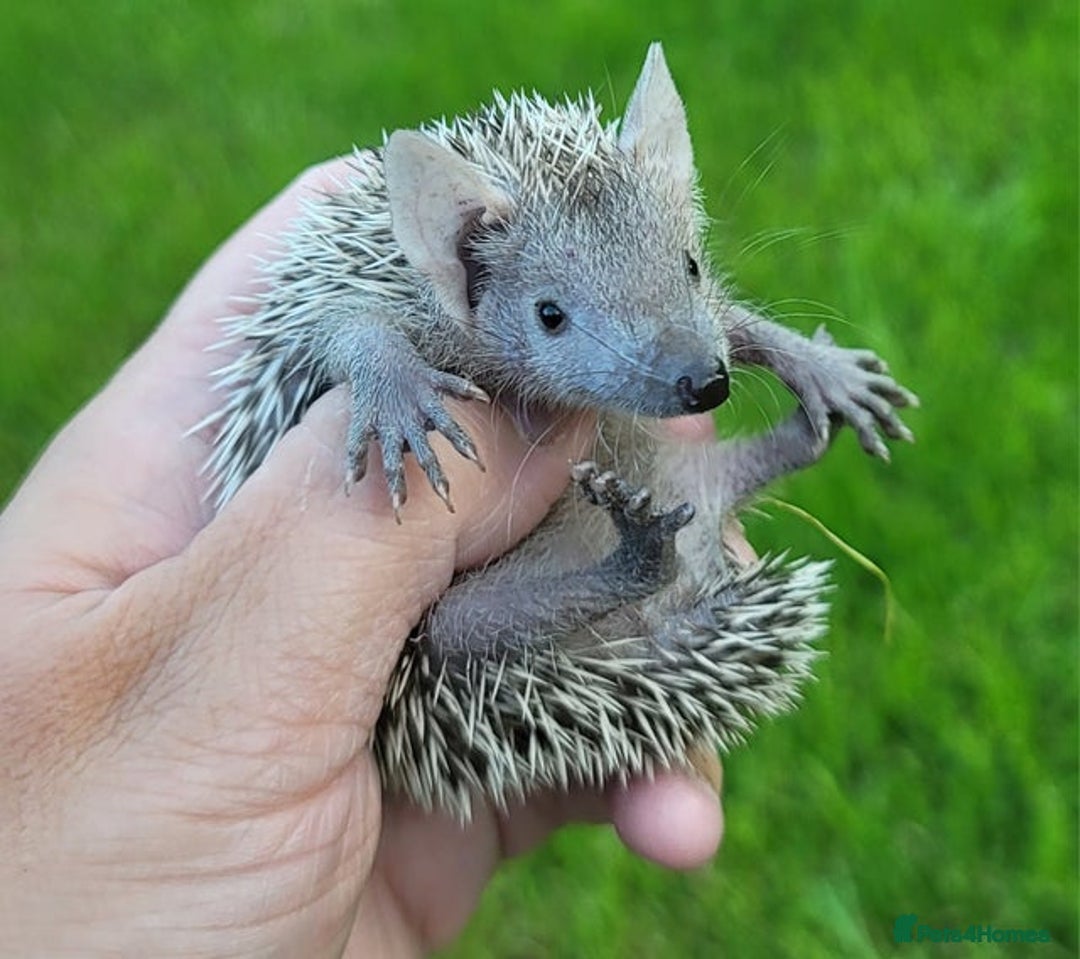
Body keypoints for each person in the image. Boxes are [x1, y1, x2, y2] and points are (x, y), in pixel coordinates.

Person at [0, 158, 727, 956]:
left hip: (536, 577)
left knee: (681, 492)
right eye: (554, 314)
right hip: (431, 633)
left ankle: (636, 562)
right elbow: (345, 327)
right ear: (460, 272)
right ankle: (625, 570)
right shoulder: (413, 298)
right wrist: (387, 379)